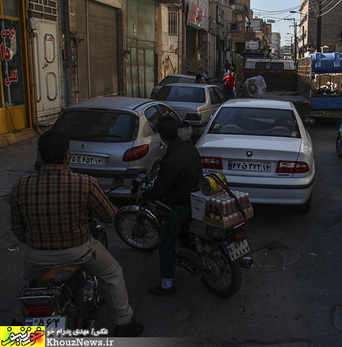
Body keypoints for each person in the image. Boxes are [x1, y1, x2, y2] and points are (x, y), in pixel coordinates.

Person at [10, 129, 142, 337]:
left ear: (41, 155)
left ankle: (19, 323)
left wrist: (35, 242)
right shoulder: (84, 183)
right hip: (78, 251)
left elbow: (17, 228)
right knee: (112, 273)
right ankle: (125, 323)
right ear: (67, 155)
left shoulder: (21, 186)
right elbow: (108, 216)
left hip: (37, 254)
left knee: (27, 281)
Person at [137, 116, 203, 297]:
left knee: (165, 243)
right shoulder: (190, 148)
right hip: (197, 199)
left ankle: (166, 284)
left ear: (162, 136)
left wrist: (144, 194)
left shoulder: (172, 159)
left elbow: (160, 189)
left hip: (181, 205)